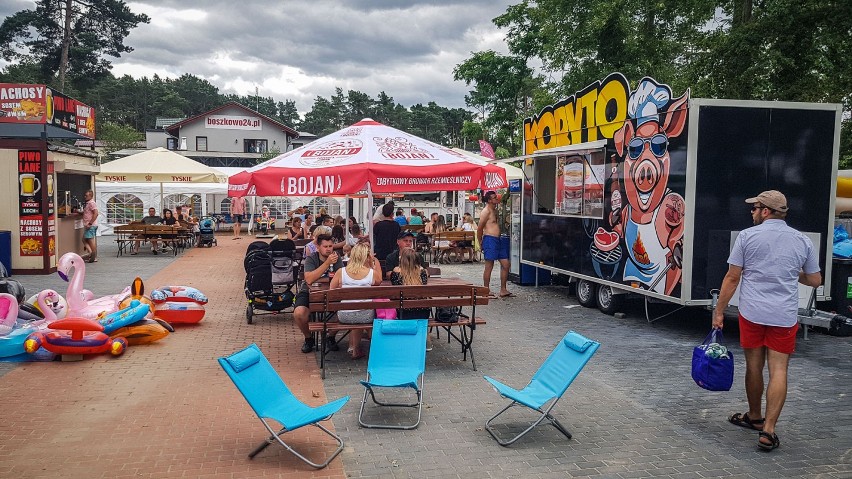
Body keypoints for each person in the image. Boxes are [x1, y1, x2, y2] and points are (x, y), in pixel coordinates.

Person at [712, 190, 821, 452]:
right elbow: (816, 280)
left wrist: (719, 311)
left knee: (754, 366)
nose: (751, 212)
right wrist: (793, 275)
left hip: (753, 313)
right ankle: (769, 431)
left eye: (755, 208)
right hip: (783, 315)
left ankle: (754, 416)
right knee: (779, 370)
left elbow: (732, 277)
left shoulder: (747, 237)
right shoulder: (801, 240)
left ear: (765, 211)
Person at [329, 243, 383, 359]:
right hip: (365, 316)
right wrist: (373, 263)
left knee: (354, 310)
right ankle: (365, 348)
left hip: (344, 315)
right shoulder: (371, 273)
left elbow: (331, 291)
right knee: (362, 310)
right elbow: (379, 281)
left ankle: (354, 348)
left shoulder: (341, 272)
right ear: (366, 256)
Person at [293, 234, 345, 353]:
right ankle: (308, 338)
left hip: (331, 292)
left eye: (330, 246)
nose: (328, 249)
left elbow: (341, 278)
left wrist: (320, 278)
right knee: (299, 313)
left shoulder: (337, 258)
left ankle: (330, 336)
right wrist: (327, 264)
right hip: (308, 291)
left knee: (347, 309)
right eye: (325, 246)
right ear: (318, 247)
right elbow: (309, 279)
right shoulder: (312, 258)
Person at [390, 248, 432, 350]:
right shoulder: (422, 272)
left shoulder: (396, 272)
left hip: (403, 311)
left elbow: (395, 291)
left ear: (401, 259)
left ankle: (405, 342)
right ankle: (426, 341)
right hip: (422, 311)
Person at [477, 191, 512, 298]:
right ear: (489, 200)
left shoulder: (495, 210)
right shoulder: (486, 211)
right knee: (489, 266)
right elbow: (479, 228)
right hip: (489, 239)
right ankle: (486, 290)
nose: (497, 198)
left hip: (498, 239)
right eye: (494, 197)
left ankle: (503, 289)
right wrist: (480, 243)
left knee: (506, 264)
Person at [81, 189, 99, 263]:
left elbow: (96, 213)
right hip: (90, 225)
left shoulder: (92, 203)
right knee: (84, 239)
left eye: (86, 195)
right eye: (85, 195)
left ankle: (93, 256)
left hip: (91, 225)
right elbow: (87, 212)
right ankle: (91, 253)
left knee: (90, 241)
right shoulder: (88, 203)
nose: (85, 196)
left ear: (91, 196)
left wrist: (90, 223)